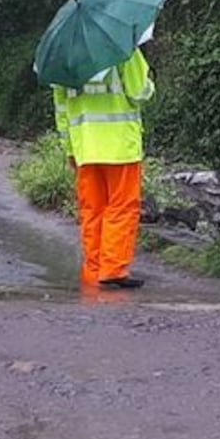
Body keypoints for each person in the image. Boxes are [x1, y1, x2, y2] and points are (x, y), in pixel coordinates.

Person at [52, 47, 155, 289]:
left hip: (85, 147)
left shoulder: (62, 57)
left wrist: (69, 148)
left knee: (92, 209)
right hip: (120, 146)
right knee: (122, 206)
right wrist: (150, 83)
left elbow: (61, 111)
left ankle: (94, 269)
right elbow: (139, 92)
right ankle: (113, 269)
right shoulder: (123, 49)